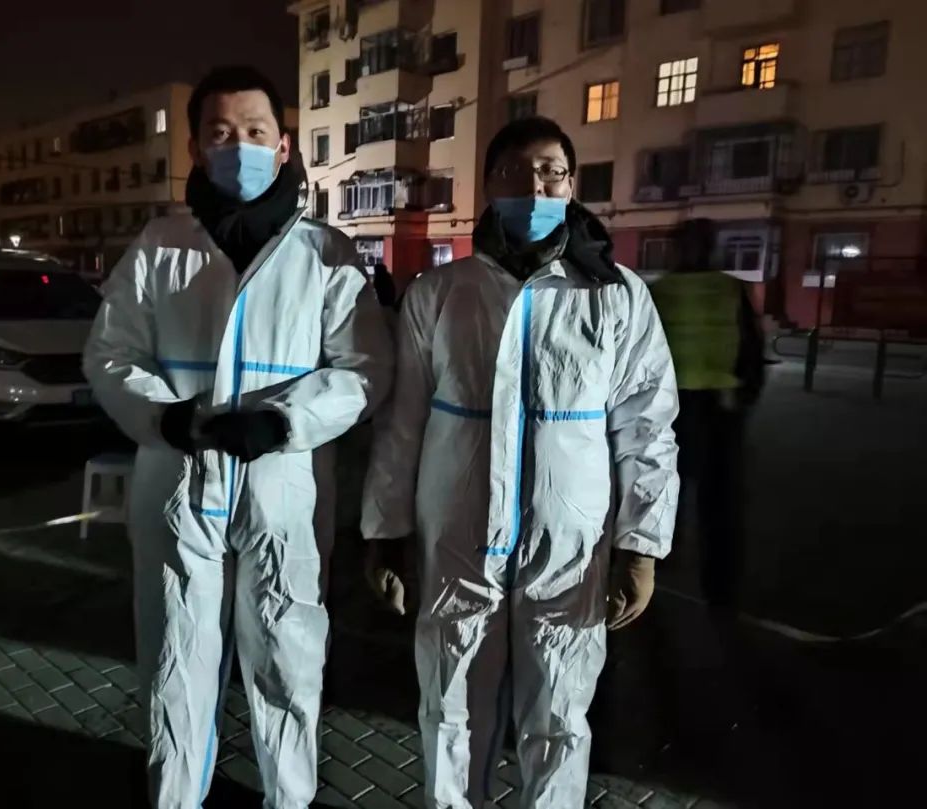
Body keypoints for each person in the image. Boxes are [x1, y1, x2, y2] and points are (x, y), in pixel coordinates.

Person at [84, 65, 393, 809]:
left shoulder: (325, 252)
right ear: (195, 148)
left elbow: (364, 369)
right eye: (221, 134)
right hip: (177, 482)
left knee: (288, 662)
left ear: (283, 146)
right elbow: (109, 352)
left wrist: (287, 420)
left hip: (283, 489)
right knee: (175, 665)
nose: (239, 147)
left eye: (255, 132)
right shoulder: (159, 245)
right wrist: (165, 415)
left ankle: (289, 799)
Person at [361, 116, 680, 809]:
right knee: (451, 707)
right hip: (456, 540)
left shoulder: (616, 296)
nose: (534, 187)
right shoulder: (440, 293)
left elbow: (647, 428)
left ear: (571, 185)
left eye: (550, 172)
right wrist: (386, 531)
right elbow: (401, 424)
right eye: (515, 172)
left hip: (570, 544)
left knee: (560, 713)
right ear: (488, 185)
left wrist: (641, 545)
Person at [649, 218, 764, 608]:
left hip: (676, 407)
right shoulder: (730, 288)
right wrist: (745, 393)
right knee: (718, 499)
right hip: (718, 405)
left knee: (666, 491)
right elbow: (752, 347)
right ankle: (720, 586)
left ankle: (660, 570)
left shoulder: (659, 291)